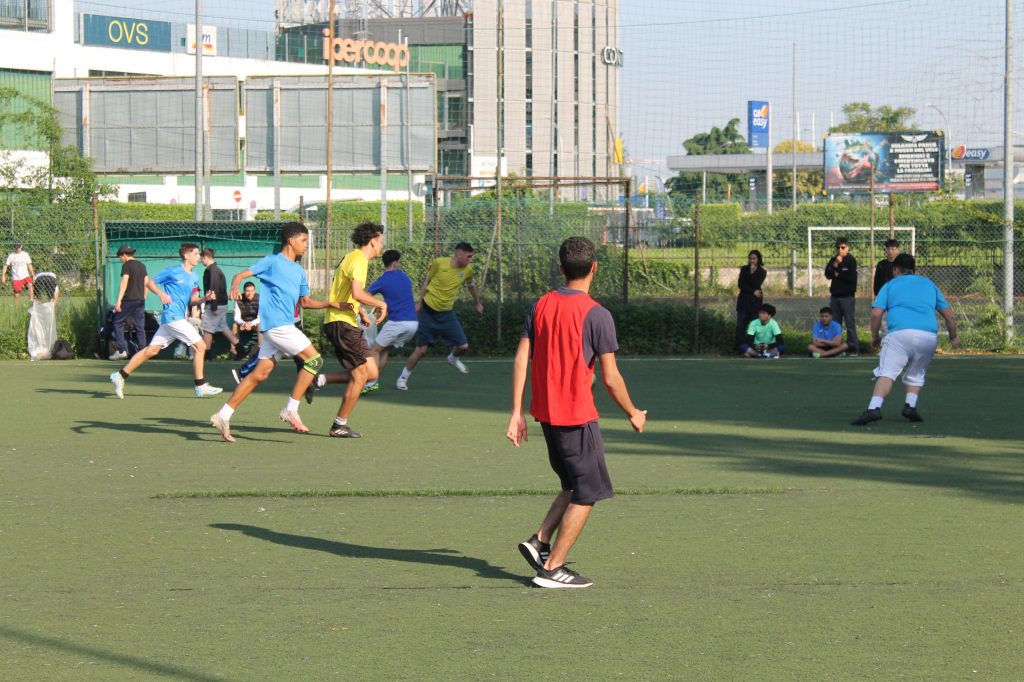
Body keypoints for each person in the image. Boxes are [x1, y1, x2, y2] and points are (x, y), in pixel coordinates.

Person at [507, 236, 646, 589]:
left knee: (572, 484)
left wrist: (517, 411)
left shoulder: (540, 305)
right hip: (576, 417)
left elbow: (522, 357)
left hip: (546, 416)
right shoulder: (597, 314)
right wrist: (632, 412)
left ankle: (540, 541)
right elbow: (611, 378)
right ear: (595, 267)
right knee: (588, 492)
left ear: (560, 268)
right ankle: (552, 568)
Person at [209, 222, 347, 443]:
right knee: (314, 360)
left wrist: (332, 304)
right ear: (291, 240)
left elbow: (305, 302)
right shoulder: (272, 262)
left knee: (259, 375)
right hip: (277, 326)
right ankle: (291, 409)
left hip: (282, 327)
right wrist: (234, 285)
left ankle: (223, 415)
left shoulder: (299, 271)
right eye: (303, 240)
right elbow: (241, 275)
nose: (306, 245)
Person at [851, 253, 961, 426]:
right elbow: (949, 316)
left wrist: (875, 336)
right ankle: (910, 405)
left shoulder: (889, 285)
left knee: (887, 372)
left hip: (899, 335)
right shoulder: (929, 285)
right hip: (928, 337)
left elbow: (875, 315)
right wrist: (953, 337)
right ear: (913, 270)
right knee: (917, 373)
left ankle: (874, 408)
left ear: (896, 270)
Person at [108, 244, 222, 399]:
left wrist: (205, 299)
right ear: (186, 255)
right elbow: (149, 282)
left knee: (151, 351)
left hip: (173, 320)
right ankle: (200, 386)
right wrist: (161, 294)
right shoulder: (173, 271)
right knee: (201, 346)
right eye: (195, 254)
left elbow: (193, 300)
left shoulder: (194, 276)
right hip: (173, 317)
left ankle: (120, 375)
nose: (198, 257)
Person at [305, 222, 387, 438]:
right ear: (372, 241)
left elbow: (346, 293)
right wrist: (381, 304)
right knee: (361, 375)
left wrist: (361, 312)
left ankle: (318, 380)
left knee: (371, 373)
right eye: (380, 241)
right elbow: (357, 293)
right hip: (341, 324)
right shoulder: (359, 260)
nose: (382, 245)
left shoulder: (352, 257)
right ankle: (339, 425)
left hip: (344, 322)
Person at [396, 242, 483, 390]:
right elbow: (426, 282)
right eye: (468, 257)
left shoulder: (467, 270)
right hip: (428, 312)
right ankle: (402, 378)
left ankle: (453, 358)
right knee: (422, 350)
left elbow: (471, 285)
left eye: (471, 257)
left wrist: (477, 303)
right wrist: (419, 303)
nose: (470, 260)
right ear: (459, 254)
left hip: (447, 314)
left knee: (463, 346)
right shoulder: (439, 263)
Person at [360, 249, 418, 393]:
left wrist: (365, 307)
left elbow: (364, 296)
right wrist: (381, 305)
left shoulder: (382, 280)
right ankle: (372, 381)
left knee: (374, 350)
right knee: (384, 350)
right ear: (395, 263)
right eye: (399, 262)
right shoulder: (405, 277)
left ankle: (371, 382)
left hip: (397, 323)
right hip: (413, 324)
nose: (399, 264)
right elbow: (398, 297)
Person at [199, 248, 240, 358]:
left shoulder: (212, 271)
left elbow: (214, 288)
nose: (201, 261)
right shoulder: (214, 270)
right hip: (220, 304)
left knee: (207, 329)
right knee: (223, 327)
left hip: (216, 304)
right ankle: (240, 349)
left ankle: (207, 355)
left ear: (205, 257)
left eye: (201, 258)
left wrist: (213, 306)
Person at [111, 245, 148, 360]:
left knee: (118, 322)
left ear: (124, 255)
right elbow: (146, 282)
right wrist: (143, 296)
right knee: (140, 326)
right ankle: (142, 351)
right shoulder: (142, 266)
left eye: (120, 257)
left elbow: (124, 282)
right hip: (140, 300)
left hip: (128, 300)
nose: (120, 260)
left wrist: (118, 301)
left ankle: (122, 350)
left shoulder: (126, 265)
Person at [824, 236, 859, 355]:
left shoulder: (851, 260)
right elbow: (828, 274)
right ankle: (836, 348)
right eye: (838, 247)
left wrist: (838, 274)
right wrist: (835, 264)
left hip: (847, 297)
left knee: (850, 324)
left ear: (847, 247)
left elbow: (851, 278)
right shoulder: (834, 259)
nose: (840, 250)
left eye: (843, 247)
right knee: (835, 324)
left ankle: (853, 348)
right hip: (835, 297)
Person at [735, 250, 766, 353]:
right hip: (743, 302)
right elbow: (741, 284)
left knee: (753, 327)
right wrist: (753, 291)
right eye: (750, 258)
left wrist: (752, 273)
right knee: (740, 327)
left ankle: (750, 348)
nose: (751, 260)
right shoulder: (744, 269)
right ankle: (739, 349)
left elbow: (757, 284)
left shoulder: (762, 272)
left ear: (758, 259)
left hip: (755, 304)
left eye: (754, 258)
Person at [232, 281, 260, 358]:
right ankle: (235, 350)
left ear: (254, 291)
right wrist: (244, 323)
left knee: (260, 325)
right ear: (244, 291)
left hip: (254, 324)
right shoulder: (238, 299)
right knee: (235, 325)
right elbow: (236, 317)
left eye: (252, 291)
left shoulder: (260, 299)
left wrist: (251, 324)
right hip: (243, 325)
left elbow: (260, 317)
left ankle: (260, 350)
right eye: (247, 291)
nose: (250, 293)